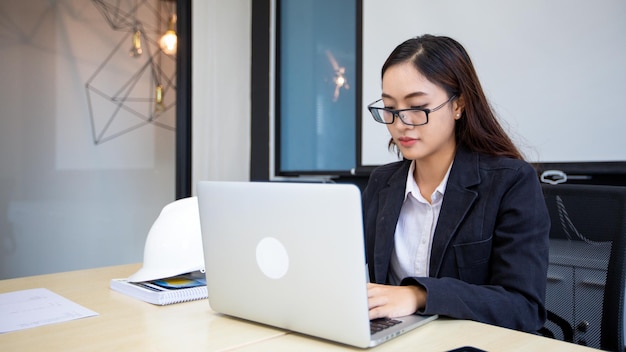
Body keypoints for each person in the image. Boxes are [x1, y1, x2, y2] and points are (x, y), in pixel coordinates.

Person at [362, 34, 550, 333]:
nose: (400, 124)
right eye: (389, 108)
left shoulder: (511, 182)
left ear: (458, 104)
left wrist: (418, 295)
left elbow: (523, 307)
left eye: (417, 107)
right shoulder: (383, 183)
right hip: (398, 339)